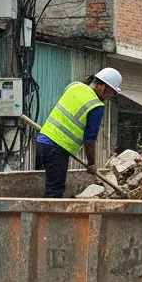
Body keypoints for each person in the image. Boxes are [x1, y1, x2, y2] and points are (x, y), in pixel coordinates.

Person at [36, 68, 121, 198]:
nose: (110, 96)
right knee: (55, 190)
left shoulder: (74, 86)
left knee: (43, 184)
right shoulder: (96, 106)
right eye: (112, 92)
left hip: (42, 141)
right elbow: (90, 139)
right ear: (104, 87)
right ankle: (49, 218)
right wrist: (91, 163)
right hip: (57, 148)